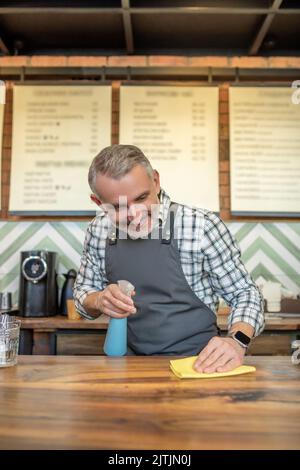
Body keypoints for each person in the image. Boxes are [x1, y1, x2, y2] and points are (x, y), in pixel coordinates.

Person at [74, 144, 264, 373]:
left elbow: (244, 292)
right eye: (117, 207)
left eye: (141, 197)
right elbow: (83, 293)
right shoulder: (98, 230)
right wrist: (99, 300)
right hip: (127, 366)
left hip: (199, 366)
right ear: (97, 202)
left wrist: (237, 340)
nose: (135, 214)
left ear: (155, 181)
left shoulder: (200, 226)